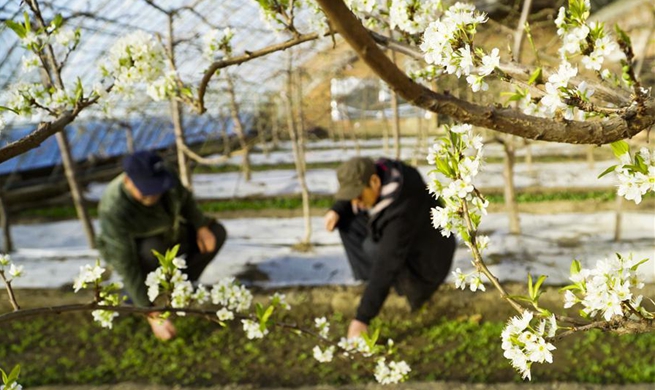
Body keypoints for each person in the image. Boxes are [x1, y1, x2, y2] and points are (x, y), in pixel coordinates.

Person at [97, 150, 226, 340]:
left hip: (170, 232)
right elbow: (125, 262)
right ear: (128, 181)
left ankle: (180, 287)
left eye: (158, 188)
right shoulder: (114, 208)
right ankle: (143, 296)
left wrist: (201, 226)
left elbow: (186, 200)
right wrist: (151, 314)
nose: (154, 195)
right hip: (140, 248)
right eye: (147, 190)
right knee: (151, 252)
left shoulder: (166, 176)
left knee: (216, 234)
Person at [324, 156, 456, 339]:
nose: (356, 202)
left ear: (375, 181)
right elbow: (354, 198)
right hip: (407, 247)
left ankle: (393, 289)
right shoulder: (386, 172)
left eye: (359, 196)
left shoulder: (404, 206)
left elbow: (388, 261)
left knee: (373, 249)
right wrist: (337, 209)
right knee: (346, 220)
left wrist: (362, 319)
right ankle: (373, 284)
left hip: (427, 267)